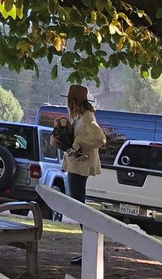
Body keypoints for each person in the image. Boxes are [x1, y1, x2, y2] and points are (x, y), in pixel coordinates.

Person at [54, 84, 106, 265]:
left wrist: (77, 142)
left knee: (79, 208)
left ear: (74, 102)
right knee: (78, 206)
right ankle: (88, 251)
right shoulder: (78, 118)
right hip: (75, 165)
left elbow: (100, 138)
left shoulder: (87, 117)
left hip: (81, 167)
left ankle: (92, 250)